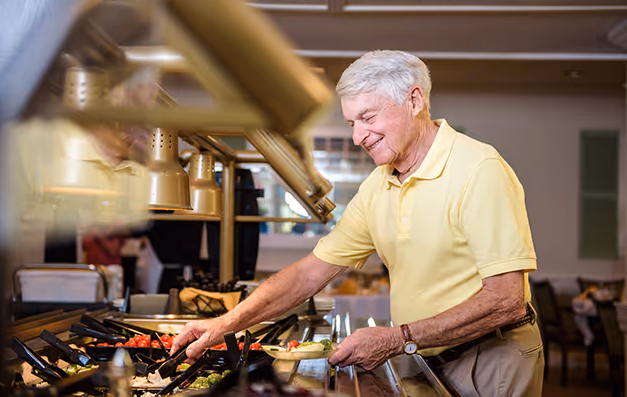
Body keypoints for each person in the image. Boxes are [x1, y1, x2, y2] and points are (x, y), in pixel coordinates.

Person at [172, 51, 543, 396]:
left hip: (491, 358)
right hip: (422, 354)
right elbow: (308, 274)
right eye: (352, 122)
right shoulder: (378, 184)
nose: (357, 137)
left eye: (368, 117)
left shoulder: (479, 169)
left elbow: (505, 300)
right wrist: (223, 325)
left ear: (414, 101)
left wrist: (397, 339)